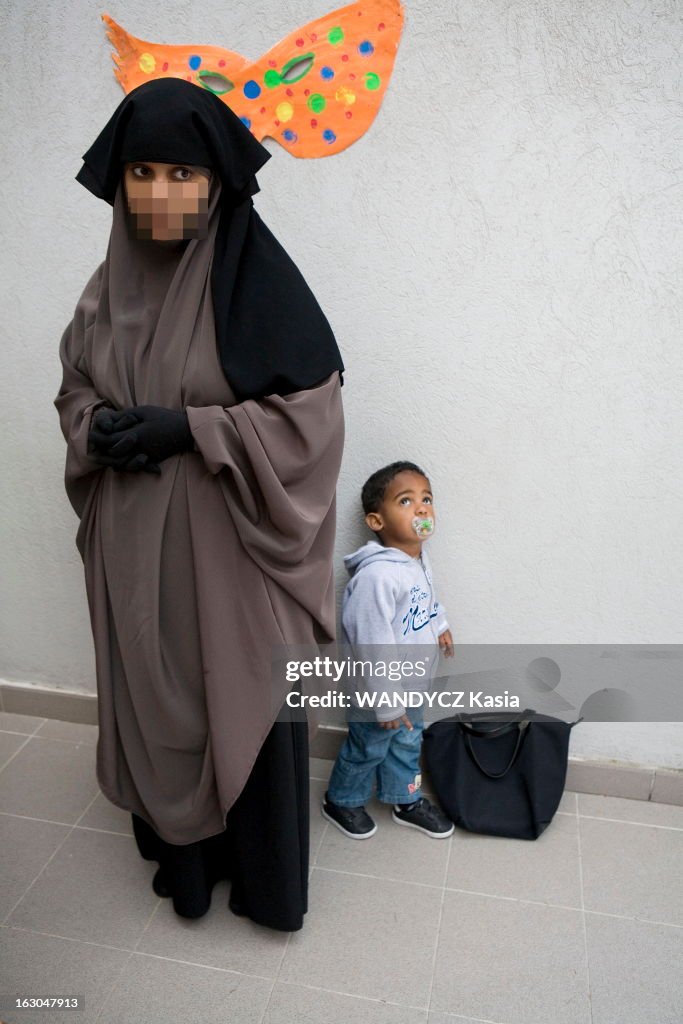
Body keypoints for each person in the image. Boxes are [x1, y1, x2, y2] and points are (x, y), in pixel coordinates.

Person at [55, 78, 345, 931]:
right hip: (134, 548)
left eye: (183, 174)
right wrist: (95, 427)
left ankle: (259, 881)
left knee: (236, 689)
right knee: (153, 686)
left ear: (217, 181)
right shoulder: (105, 291)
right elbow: (74, 384)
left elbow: (310, 418)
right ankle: (183, 861)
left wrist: (192, 429)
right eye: (141, 171)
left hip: (227, 553)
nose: (160, 194)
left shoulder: (255, 284)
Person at [323, 461, 455, 839]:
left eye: (426, 498)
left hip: (411, 685)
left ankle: (405, 798)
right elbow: (371, 646)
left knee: (408, 742)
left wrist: (440, 625)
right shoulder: (377, 577)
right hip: (376, 694)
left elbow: (425, 599)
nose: (422, 508)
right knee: (369, 746)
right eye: (406, 501)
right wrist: (387, 703)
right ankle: (342, 800)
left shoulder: (417, 560)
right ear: (377, 521)